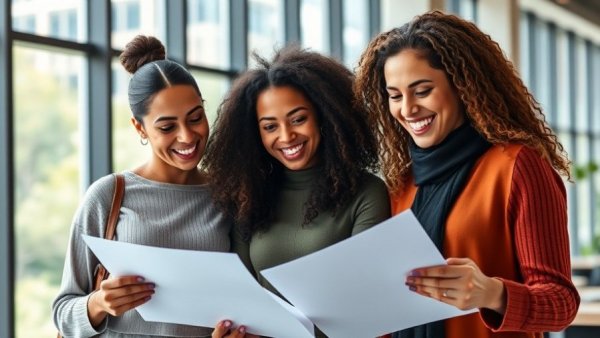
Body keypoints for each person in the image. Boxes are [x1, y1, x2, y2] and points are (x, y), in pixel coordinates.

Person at [353, 11, 580, 338]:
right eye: (395, 95)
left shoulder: (516, 166)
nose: (407, 109)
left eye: (422, 90)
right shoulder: (400, 185)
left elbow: (561, 305)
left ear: (462, 86)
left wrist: (492, 293)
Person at [52, 35, 244, 337]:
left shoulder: (227, 196)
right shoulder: (108, 195)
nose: (186, 137)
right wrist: (99, 303)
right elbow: (62, 311)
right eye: (167, 127)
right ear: (139, 127)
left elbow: (240, 302)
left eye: (196, 117)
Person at [203, 45, 391, 338]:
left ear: (325, 116)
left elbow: (364, 307)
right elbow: (242, 299)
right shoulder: (249, 196)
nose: (286, 136)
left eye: (298, 119)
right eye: (270, 126)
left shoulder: (366, 193)